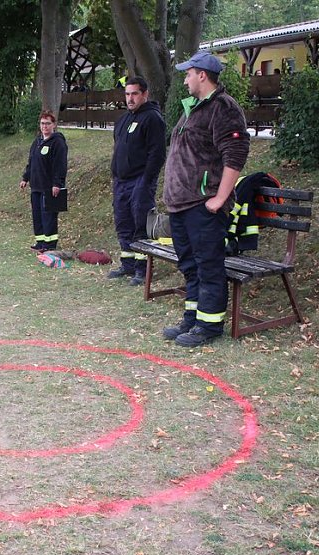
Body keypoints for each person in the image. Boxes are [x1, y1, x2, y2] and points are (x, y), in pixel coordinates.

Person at [161, 51, 250, 347]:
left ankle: (209, 326)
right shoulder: (194, 107)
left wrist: (219, 197)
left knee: (208, 265)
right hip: (181, 204)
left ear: (202, 74)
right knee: (189, 265)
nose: (185, 79)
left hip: (203, 205)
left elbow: (235, 155)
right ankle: (193, 318)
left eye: (188, 73)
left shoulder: (223, 108)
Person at [107, 76, 166, 286]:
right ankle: (128, 264)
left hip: (140, 181)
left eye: (134, 94)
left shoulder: (152, 119)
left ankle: (142, 270)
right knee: (123, 223)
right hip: (121, 181)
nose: (130, 98)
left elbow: (157, 154)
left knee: (140, 225)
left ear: (145, 94)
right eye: (127, 94)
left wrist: (145, 181)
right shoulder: (123, 119)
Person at [19, 111, 68, 252]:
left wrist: (57, 183)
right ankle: (40, 242)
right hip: (36, 186)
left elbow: (60, 165)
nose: (44, 126)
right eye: (42, 123)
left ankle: (50, 244)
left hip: (49, 187)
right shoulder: (37, 142)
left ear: (54, 125)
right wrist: (25, 178)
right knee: (38, 215)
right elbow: (31, 162)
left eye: (47, 123)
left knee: (49, 216)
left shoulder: (58, 142)